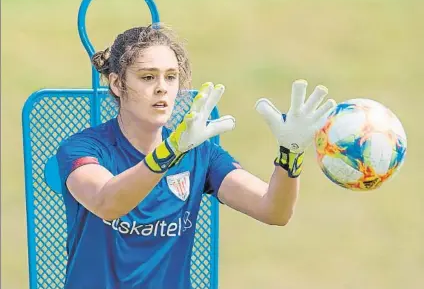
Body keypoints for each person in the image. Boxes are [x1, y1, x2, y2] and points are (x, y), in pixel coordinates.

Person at [56, 24, 336, 289]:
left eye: (171, 76)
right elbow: (108, 202)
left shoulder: (199, 152)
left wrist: (290, 155)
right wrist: (171, 152)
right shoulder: (82, 149)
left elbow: (274, 210)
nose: (162, 88)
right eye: (148, 77)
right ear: (117, 84)